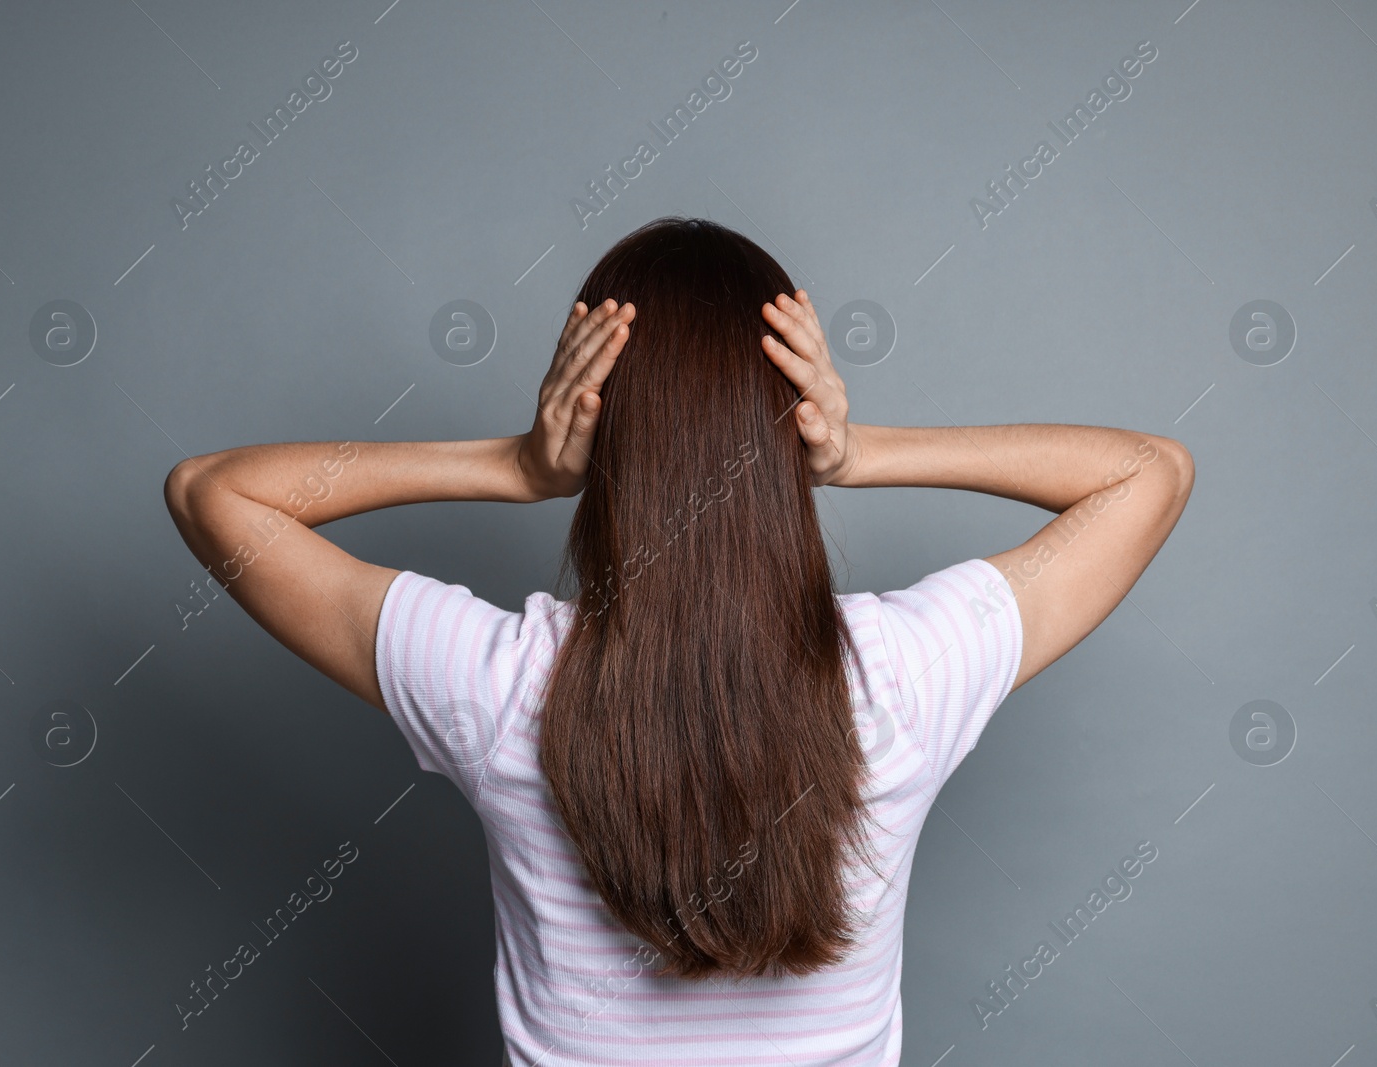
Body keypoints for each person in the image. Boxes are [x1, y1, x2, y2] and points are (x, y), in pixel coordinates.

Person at [163, 216, 1194, 1065]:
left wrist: (518, 464)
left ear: (600, 434)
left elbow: (215, 494)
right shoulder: (901, 673)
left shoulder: (500, 682)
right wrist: (849, 449)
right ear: (788, 423)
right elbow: (1147, 472)